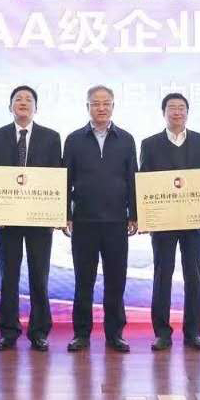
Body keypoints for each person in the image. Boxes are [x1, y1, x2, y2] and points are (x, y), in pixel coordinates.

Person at [0, 86, 62, 353]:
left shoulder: (51, 137)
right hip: (7, 219)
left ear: (35, 108)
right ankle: (8, 331)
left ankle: (39, 331)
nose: (23, 103)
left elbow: (56, 177)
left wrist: (56, 214)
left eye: (28, 99)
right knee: (9, 275)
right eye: (18, 99)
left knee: (39, 275)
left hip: (39, 218)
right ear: (10, 107)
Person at [63, 85, 138, 353]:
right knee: (84, 280)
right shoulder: (74, 139)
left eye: (106, 103)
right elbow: (65, 180)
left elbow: (133, 178)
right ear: (88, 107)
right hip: (84, 221)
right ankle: (81, 334)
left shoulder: (126, 139)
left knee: (116, 280)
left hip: (117, 221)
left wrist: (135, 214)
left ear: (113, 106)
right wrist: (65, 214)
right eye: (95, 103)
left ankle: (115, 334)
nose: (101, 108)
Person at [139, 93, 200, 352]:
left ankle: (193, 333)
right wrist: (145, 216)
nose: (177, 112)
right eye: (172, 108)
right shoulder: (150, 144)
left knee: (194, 276)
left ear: (187, 112)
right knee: (163, 275)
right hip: (163, 222)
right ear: (164, 113)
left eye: (181, 108)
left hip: (194, 221)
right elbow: (144, 182)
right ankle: (162, 333)